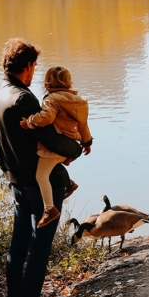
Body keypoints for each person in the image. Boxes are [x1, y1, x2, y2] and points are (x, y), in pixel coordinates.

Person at [0, 38, 83, 297]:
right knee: (40, 249)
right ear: (28, 66)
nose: (34, 73)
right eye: (34, 67)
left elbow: (1, 143)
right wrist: (76, 148)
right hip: (41, 186)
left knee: (18, 248)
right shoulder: (24, 98)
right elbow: (49, 138)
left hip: (17, 183)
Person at [20, 66, 93, 228]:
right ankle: (69, 182)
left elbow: (46, 118)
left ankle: (49, 209)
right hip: (70, 143)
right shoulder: (79, 101)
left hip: (55, 145)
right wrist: (87, 143)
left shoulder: (51, 99)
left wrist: (29, 122)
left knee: (41, 176)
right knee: (49, 166)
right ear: (69, 82)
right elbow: (83, 125)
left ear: (47, 83)